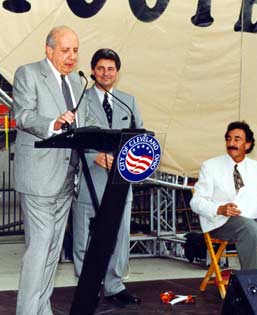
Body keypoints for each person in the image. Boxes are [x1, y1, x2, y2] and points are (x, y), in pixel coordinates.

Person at [12, 26, 97, 315]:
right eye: (65, 50)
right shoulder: (29, 73)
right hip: (38, 178)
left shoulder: (77, 83)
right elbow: (22, 115)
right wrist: (53, 124)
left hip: (66, 179)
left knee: (51, 252)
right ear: (48, 50)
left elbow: (86, 122)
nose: (72, 56)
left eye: (75, 50)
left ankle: (41, 308)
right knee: (39, 249)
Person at [72, 48, 143, 307]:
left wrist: (127, 160)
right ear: (92, 71)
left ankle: (114, 286)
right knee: (84, 237)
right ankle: (87, 285)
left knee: (119, 235)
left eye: (110, 68)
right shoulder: (81, 99)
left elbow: (139, 138)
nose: (105, 73)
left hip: (121, 183)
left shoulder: (128, 101)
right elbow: (75, 137)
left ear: (117, 72)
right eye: (100, 68)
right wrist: (94, 157)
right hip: (92, 178)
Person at [190, 121, 257, 270]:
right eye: (228, 139)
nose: (231, 143)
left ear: (247, 145)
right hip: (219, 222)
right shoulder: (210, 166)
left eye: (237, 139)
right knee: (249, 227)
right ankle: (253, 282)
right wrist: (220, 209)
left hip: (251, 220)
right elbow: (195, 202)